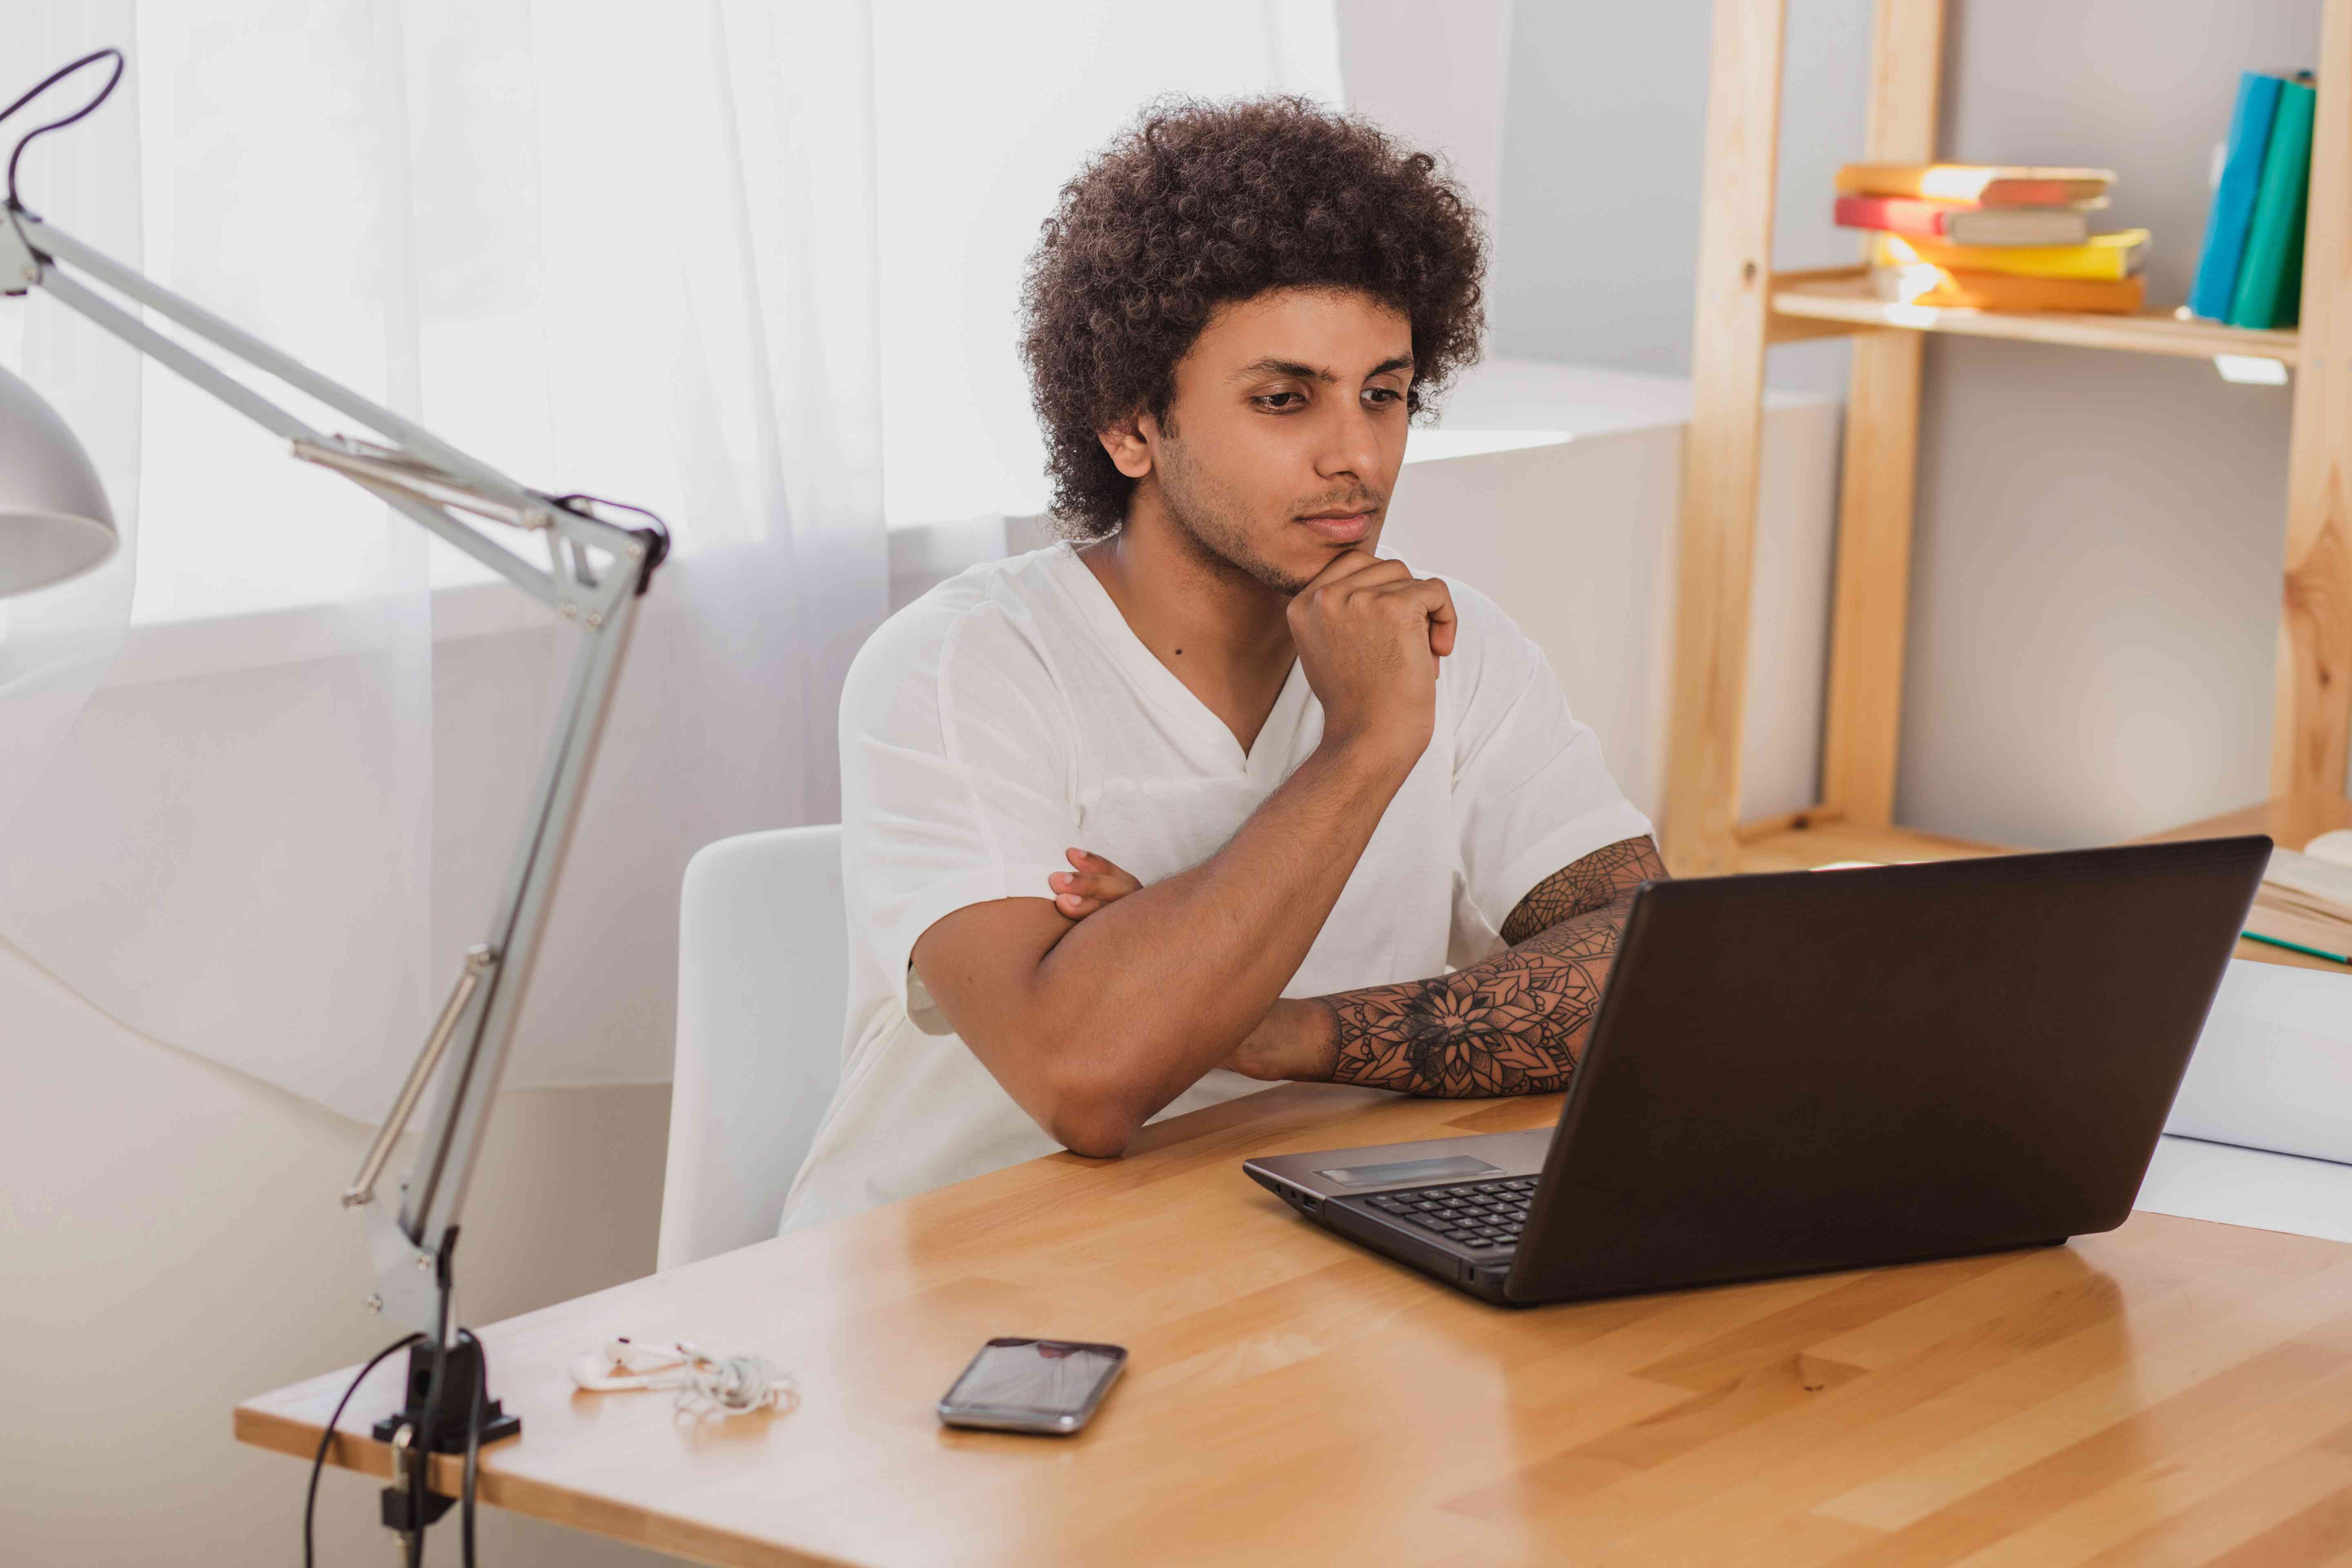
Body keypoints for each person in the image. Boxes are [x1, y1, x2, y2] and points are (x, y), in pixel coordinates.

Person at [782, 96, 1662, 1230]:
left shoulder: (1457, 645)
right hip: (961, 1281)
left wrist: (1266, 1028)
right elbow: (1085, 1083)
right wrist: (1368, 745)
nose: (1356, 456)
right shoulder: (962, 667)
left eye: (1384, 395)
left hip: (1280, 1250)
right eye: (1284, 399)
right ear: (1129, 426)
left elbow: (1647, 981)